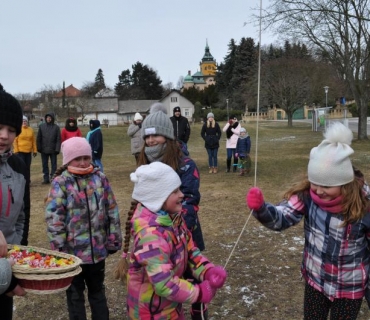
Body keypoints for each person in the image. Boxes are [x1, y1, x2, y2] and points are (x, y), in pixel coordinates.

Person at [246, 122, 370, 319]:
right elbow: (282, 217)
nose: (319, 190)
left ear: (344, 183)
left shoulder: (364, 204)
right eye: (315, 183)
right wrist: (262, 209)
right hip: (316, 281)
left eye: (327, 186)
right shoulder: (308, 197)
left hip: (349, 287)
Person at [114, 162, 227, 319]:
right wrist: (199, 293)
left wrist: (208, 271)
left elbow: (191, 251)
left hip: (169, 307)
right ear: (158, 198)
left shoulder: (174, 219)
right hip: (150, 313)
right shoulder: (151, 235)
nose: (182, 194)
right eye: (175, 191)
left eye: (179, 189)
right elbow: (164, 283)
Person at [137, 102, 209, 319]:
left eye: (156, 136)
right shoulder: (144, 166)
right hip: (155, 240)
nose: (151, 141)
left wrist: (171, 231)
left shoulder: (186, 165)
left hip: (183, 234)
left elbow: (189, 201)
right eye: (147, 138)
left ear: (168, 138)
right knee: (163, 284)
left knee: (194, 281)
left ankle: (199, 313)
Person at [45, 136, 122, 320]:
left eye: (86, 158)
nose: (82, 162)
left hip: (98, 251)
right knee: (74, 296)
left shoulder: (100, 179)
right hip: (73, 255)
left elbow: (112, 209)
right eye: (77, 158)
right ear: (68, 160)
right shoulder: (61, 183)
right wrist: (59, 247)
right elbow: (54, 217)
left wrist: (113, 238)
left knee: (97, 292)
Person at [0, 90, 28, 319]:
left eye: (11, 130)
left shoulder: (19, 166)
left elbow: (21, 217)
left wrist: (17, 260)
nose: (4, 136)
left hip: (7, 265)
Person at [36, 112, 61, 184]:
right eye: (47, 118)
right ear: (45, 118)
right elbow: (39, 138)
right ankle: (46, 178)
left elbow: (58, 139)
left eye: (50, 118)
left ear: (52, 119)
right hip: (44, 149)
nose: (48, 119)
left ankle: (53, 178)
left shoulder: (56, 127)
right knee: (44, 164)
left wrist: (57, 149)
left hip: (53, 149)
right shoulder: (42, 126)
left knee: (54, 165)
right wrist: (39, 147)